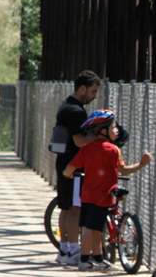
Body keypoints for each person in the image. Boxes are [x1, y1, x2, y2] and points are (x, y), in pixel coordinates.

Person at [63, 109, 150, 271]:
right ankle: (84, 260)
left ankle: (98, 258)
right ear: (103, 131)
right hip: (102, 196)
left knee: (95, 228)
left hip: (87, 195)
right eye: (113, 127)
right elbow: (123, 171)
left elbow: (69, 168)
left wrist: (67, 174)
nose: (117, 130)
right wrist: (142, 164)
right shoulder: (112, 150)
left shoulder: (87, 148)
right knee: (91, 229)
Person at [53, 70, 100, 265]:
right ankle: (73, 250)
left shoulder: (66, 105)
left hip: (63, 162)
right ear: (83, 88)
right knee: (74, 209)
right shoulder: (76, 111)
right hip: (74, 166)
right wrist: (100, 141)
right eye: (93, 91)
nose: (94, 96)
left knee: (64, 208)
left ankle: (64, 250)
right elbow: (80, 140)